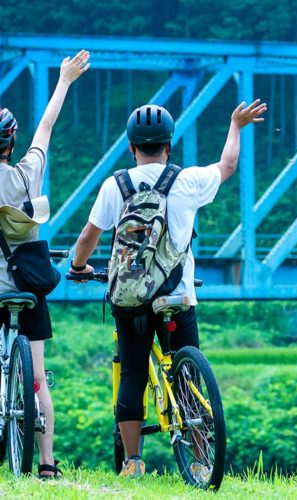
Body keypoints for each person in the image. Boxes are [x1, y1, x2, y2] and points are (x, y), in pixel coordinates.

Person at [69, 99, 267, 477]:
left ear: (131, 147)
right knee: (188, 376)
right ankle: (199, 458)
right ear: (169, 145)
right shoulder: (187, 181)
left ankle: (133, 462)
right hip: (177, 296)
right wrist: (235, 125)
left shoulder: (116, 185)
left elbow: (88, 236)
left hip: (131, 301)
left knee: (132, 374)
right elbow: (227, 166)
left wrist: (79, 268)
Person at [0, 50, 90, 478]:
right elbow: (47, 126)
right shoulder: (26, 174)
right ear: (11, 143)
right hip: (28, 290)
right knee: (37, 377)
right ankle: (48, 464)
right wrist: (65, 81)